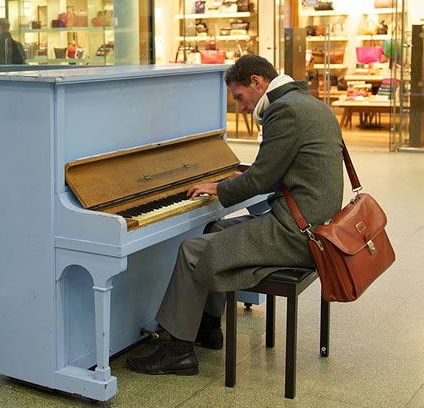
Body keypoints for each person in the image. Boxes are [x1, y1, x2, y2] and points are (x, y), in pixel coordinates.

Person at [126, 55, 344, 375]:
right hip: (312, 222)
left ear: (257, 82)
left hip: (297, 233)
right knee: (214, 227)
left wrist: (217, 187)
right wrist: (232, 182)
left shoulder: (284, 112)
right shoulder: (307, 102)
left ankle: (178, 351)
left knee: (191, 251)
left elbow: (261, 179)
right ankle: (209, 328)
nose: (240, 108)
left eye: (240, 97)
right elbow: (276, 171)